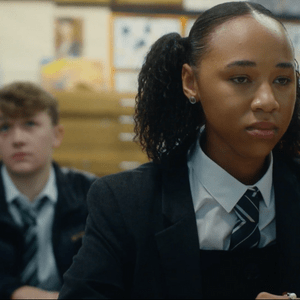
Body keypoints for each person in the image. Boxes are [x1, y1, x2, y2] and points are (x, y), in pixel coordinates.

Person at [59, 1, 300, 299]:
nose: (268, 101)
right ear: (190, 82)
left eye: (282, 80)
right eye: (240, 79)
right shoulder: (125, 204)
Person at [0, 81, 97, 299]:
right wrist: (16, 293)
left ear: (56, 135)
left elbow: (107, 273)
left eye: (30, 124)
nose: (17, 140)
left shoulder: (91, 194)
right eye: (4, 127)